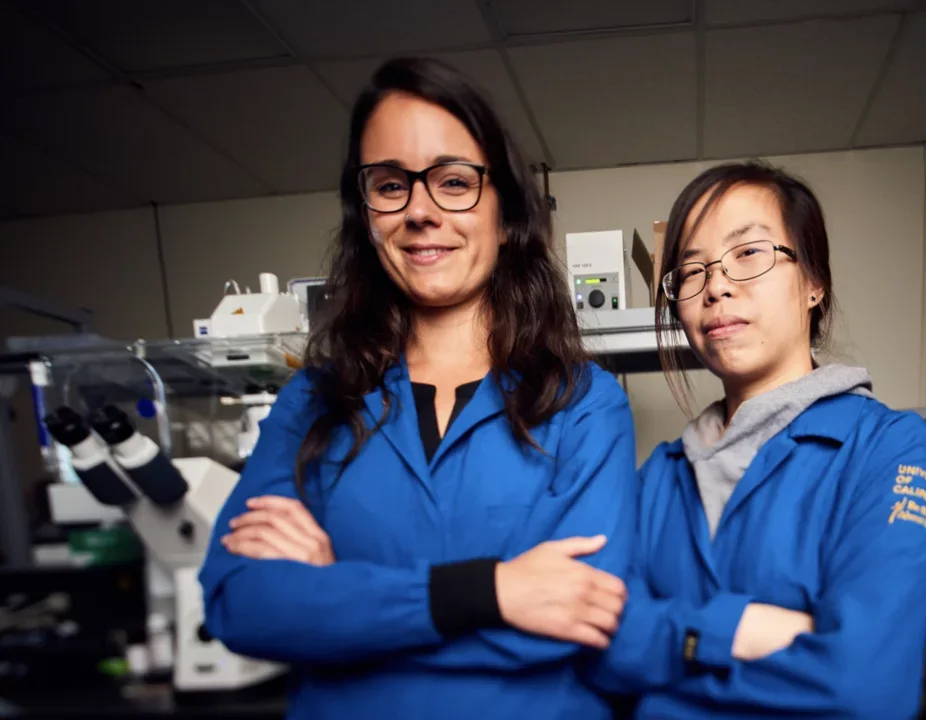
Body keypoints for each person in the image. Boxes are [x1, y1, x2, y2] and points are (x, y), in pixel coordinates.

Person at [198, 57, 637, 719]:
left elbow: (586, 610)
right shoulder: (315, 400)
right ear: (365, 212)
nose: (421, 211)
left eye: (454, 182)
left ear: (506, 212)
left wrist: (335, 595)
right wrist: (492, 592)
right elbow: (240, 604)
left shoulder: (583, 401)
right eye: (391, 184)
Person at [593, 162, 926, 718]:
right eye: (692, 272)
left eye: (749, 254)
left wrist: (663, 668)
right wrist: (730, 631)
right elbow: (597, 653)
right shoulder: (659, 478)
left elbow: (863, 689)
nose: (717, 286)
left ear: (813, 283)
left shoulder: (886, 449)